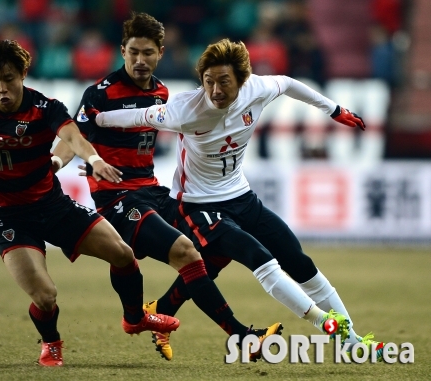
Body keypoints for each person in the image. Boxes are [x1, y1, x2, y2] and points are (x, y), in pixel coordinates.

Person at [54, 13, 347, 362]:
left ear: (161, 52)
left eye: (148, 52)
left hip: (154, 190)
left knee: (212, 250)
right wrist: (57, 163)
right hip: (116, 196)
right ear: (122, 51)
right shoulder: (100, 93)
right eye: (133, 52)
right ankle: (241, 335)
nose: (140, 60)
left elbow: (157, 121)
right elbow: (73, 136)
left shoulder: (163, 93)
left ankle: (160, 309)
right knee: (190, 251)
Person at [0, 36, 180, 367]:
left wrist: (94, 161)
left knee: (123, 254)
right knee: (45, 295)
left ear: (23, 74)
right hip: (9, 219)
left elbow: (72, 136)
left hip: (53, 206)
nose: (3, 89)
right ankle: (51, 342)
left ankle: (135, 317)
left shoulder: (44, 108)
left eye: (9, 79)